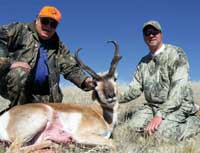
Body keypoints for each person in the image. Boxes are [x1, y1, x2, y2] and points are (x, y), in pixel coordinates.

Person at [0, 5, 94, 111]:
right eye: (45, 21)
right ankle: (16, 112)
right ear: (37, 19)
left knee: (52, 118)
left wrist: (85, 81)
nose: (48, 27)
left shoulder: (59, 46)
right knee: (19, 72)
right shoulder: (20, 30)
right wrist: (7, 63)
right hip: (14, 87)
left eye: (53, 24)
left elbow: (70, 68)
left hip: (43, 95)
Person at [119, 20, 200, 140]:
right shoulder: (143, 62)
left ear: (161, 34)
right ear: (144, 37)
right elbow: (134, 89)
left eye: (154, 32)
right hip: (152, 106)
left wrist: (160, 115)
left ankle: (195, 121)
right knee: (127, 131)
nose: (151, 35)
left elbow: (178, 90)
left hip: (179, 106)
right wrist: (113, 99)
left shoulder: (176, 53)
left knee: (161, 136)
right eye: (147, 33)